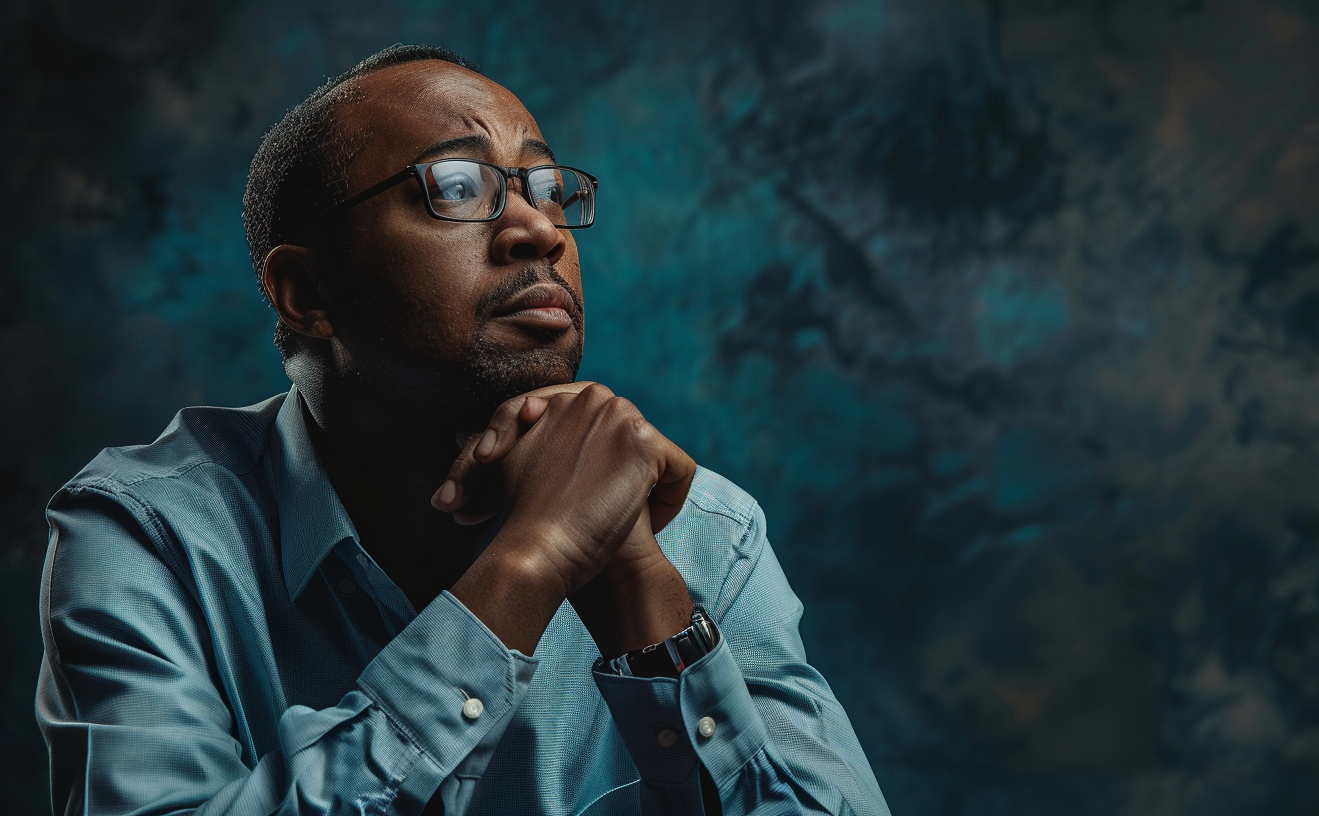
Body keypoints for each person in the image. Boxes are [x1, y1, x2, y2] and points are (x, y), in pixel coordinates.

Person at [35, 44, 889, 816]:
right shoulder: (151, 535)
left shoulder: (700, 531)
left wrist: (635, 579)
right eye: (455, 188)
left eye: (550, 189)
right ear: (306, 292)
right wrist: (529, 564)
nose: (538, 229)